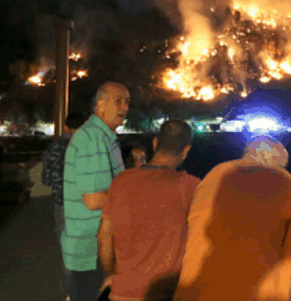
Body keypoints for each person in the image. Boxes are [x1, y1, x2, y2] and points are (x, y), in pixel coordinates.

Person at [174, 135, 291, 301]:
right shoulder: (273, 176)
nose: (282, 171)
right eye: (281, 166)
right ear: (266, 155)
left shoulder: (213, 176)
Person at [98, 120, 200, 301]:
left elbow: (105, 236)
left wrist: (110, 275)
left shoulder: (122, 181)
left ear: (155, 142)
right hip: (164, 294)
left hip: (122, 292)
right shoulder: (191, 187)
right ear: (186, 151)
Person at [62, 82, 129, 301]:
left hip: (97, 247)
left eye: (127, 101)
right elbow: (93, 200)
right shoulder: (92, 139)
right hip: (92, 250)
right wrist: (134, 194)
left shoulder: (102, 136)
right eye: (118, 100)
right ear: (100, 105)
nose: (125, 107)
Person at [41, 111, 87, 298]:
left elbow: (46, 180)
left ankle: (71, 293)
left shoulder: (54, 148)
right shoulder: (90, 146)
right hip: (87, 207)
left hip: (63, 206)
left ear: (66, 126)